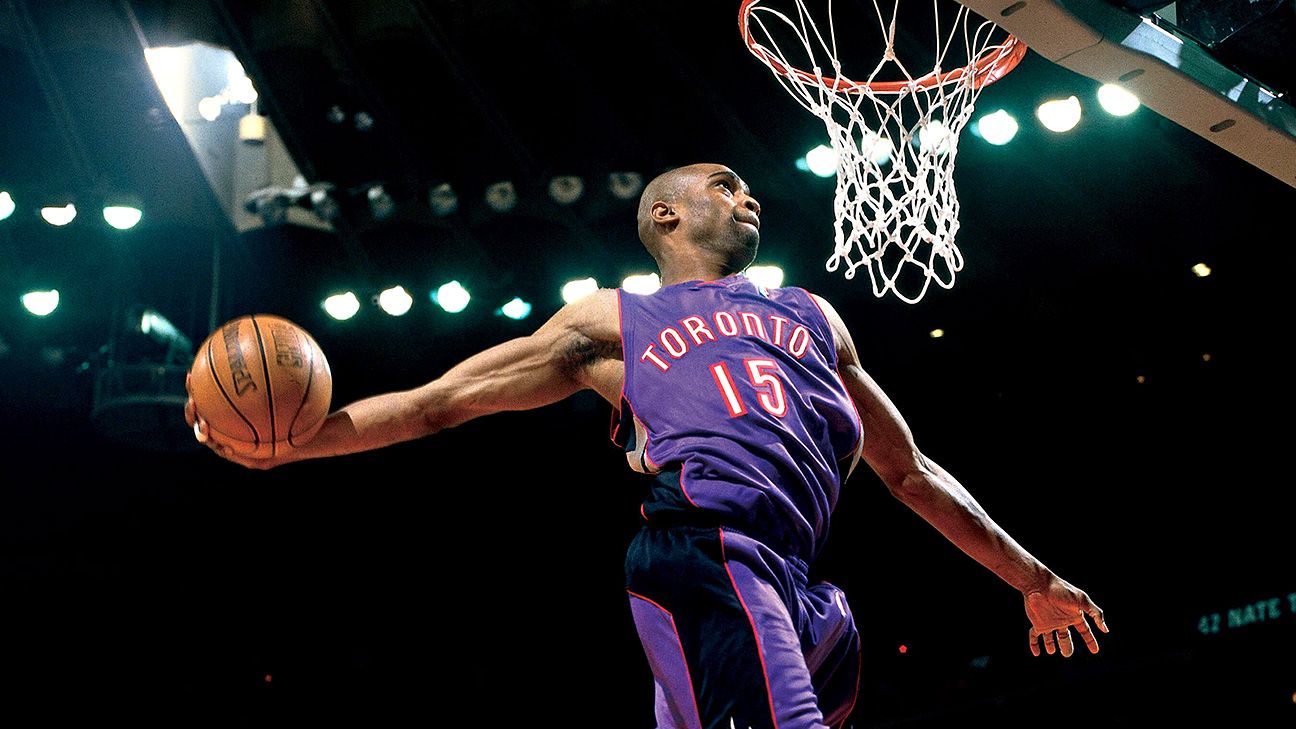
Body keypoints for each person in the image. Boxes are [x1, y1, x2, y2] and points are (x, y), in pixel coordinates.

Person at [186, 163, 1108, 729]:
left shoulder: (814, 316)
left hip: (793, 577)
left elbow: (909, 470)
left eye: (746, 188)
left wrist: (1031, 578)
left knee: (829, 642)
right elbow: (442, 402)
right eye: (723, 185)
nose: (747, 196)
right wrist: (292, 449)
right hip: (704, 550)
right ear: (665, 217)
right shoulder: (616, 319)